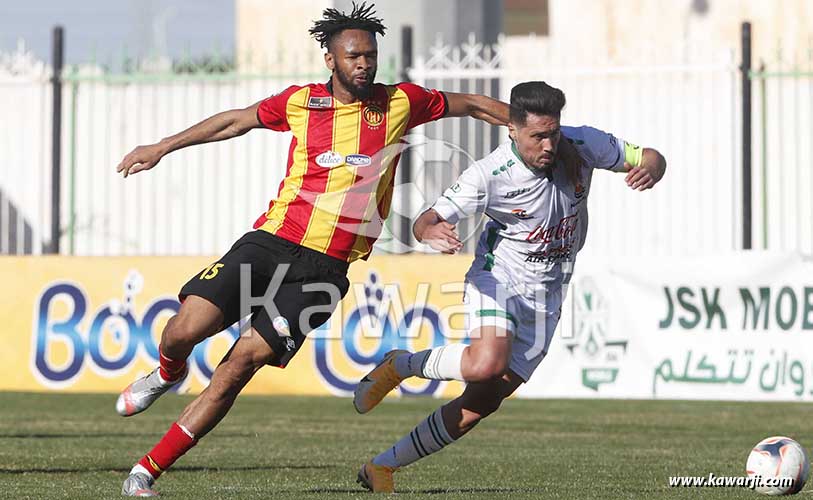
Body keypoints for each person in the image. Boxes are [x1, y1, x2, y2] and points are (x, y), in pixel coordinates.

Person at [114, 3, 509, 496]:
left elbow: (471, 103)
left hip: (326, 270)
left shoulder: (402, 102)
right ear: (330, 59)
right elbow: (234, 122)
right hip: (271, 241)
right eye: (353, 56)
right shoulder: (301, 102)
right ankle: (168, 372)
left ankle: (146, 471)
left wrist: (530, 128)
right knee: (182, 332)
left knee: (240, 363)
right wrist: (161, 147)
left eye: (370, 55)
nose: (364, 64)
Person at [353, 80, 667, 493]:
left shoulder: (582, 144)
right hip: (497, 278)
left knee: (481, 403)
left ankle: (382, 467)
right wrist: (432, 232)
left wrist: (652, 168)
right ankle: (401, 365)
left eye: (553, 133)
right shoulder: (489, 174)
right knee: (487, 363)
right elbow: (426, 219)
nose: (549, 145)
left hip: (549, 292)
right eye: (538, 136)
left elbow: (650, 156)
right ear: (513, 131)